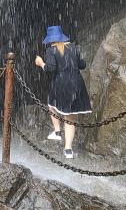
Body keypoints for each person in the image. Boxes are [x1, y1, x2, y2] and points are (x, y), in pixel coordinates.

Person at [34, 25, 91, 159]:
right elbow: (82, 65)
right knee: (70, 117)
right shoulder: (74, 48)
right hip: (77, 84)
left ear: (50, 40)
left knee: (51, 105)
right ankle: (68, 150)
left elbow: (50, 69)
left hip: (60, 84)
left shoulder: (51, 50)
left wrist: (40, 63)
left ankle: (57, 131)